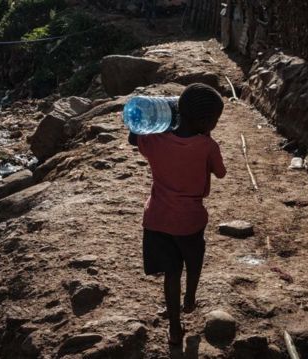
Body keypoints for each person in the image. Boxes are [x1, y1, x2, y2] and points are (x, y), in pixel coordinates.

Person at [128, 83, 226, 346]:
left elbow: (134, 133)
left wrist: (159, 115)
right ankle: (190, 298)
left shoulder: (155, 139)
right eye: (215, 121)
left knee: (171, 273)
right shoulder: (208, 146)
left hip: (157, 219)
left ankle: (174, 328)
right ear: (207, 121)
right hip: (190, 221)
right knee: (192, 262)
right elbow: (221, 173)